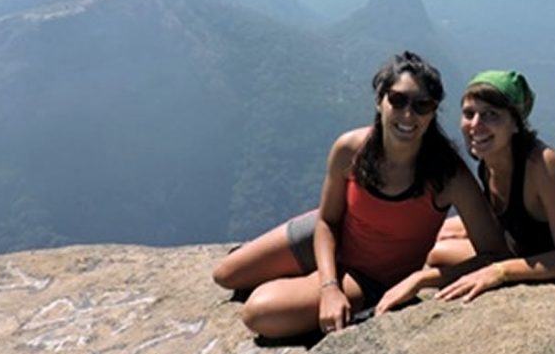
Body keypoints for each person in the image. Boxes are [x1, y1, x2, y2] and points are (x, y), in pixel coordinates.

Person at [212, 51, 507, 338]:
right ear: (380, 100)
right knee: (225, 275)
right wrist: (328, 287)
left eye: (422, 105)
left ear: (433, 113)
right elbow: (327, 220)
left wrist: (422, 279)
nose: (408, 114)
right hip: (334, 231)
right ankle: (310, 274)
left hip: (371, 276)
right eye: (398, 99)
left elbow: (493, 254)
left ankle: (303, 281)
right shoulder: (350, 149)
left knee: (259, 313)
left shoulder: (447, 175)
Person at [375, 70, 555, 312]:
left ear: (515, 124)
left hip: (542, 261)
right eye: (469, 114)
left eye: (491, 115)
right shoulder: (489, 161)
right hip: (511, 247)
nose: (475, 125)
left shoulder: (541, 164)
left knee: (435, 253)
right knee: (437, 239)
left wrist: (499, 272)